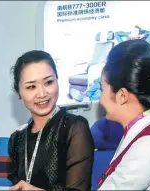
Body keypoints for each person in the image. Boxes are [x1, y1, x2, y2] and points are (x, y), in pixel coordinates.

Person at [8, 50, 95, 191]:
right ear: (19, 92)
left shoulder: (74, 128)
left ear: (57, 80)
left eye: (48, 82)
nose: (42, 94)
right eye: (31, 87)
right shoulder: (17, 140)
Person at [97, 39, 150, 190]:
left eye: (102, 89)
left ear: (122, 96)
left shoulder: (149, 147)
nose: (100, 100)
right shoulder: (143, 132)